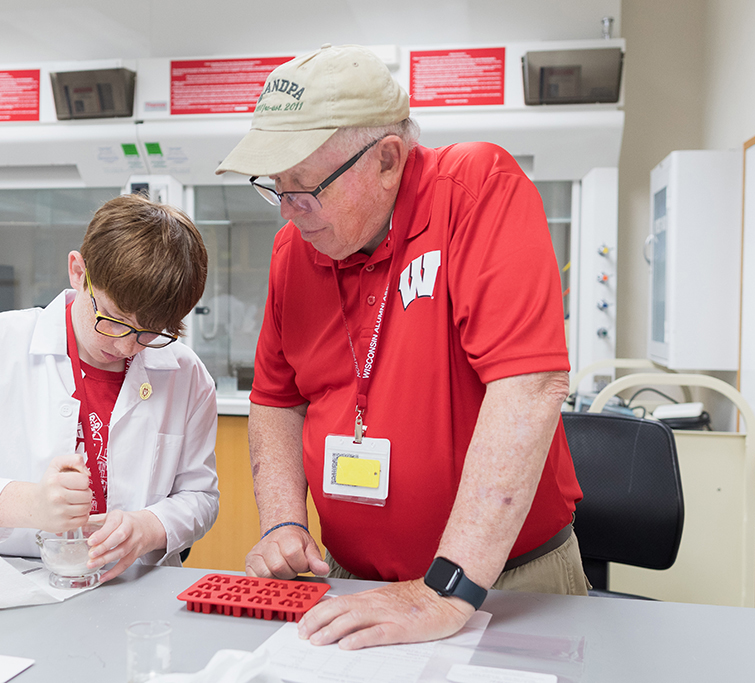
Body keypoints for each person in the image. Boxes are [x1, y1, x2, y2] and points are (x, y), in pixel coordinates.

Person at [215, 44, 586, 649]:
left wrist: (448, 587)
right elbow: (277, 400)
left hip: (504, 585)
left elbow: (530, 385)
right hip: (349, 584)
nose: (289, 211)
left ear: (387, 159)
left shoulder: (477, 191)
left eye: (305, 188)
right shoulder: (295, 253)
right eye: (275, 188)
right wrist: (283, 521)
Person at [0, 193, 219, 583]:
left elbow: (201, 497)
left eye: (149, 333)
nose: (125, 347)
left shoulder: (187, 375)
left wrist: (149, 526)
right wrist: (29, 504)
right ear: (78, 272)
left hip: (134, 584)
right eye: (114, 320)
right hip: (9, 581)